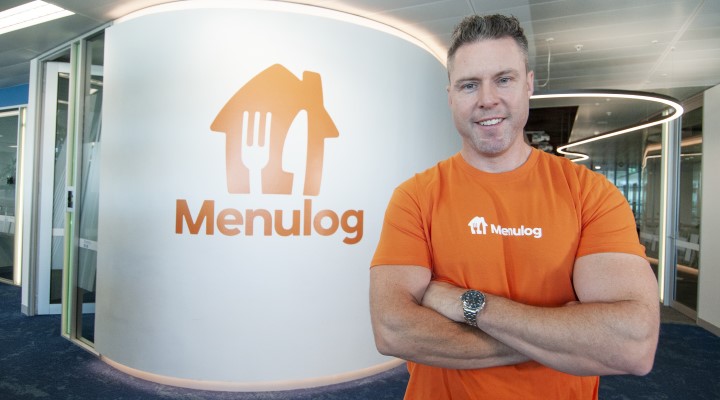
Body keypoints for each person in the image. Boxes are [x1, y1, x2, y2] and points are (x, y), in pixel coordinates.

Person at [369, 14, 660, 400]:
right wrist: (565, 338)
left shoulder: (591, 194)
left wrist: (466, 304)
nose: (487, 99)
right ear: (451, 96)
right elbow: (393, 330)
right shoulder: (415, 197)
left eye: (503, 79)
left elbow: (631, 344)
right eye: (469, 85)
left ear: (529, 85)